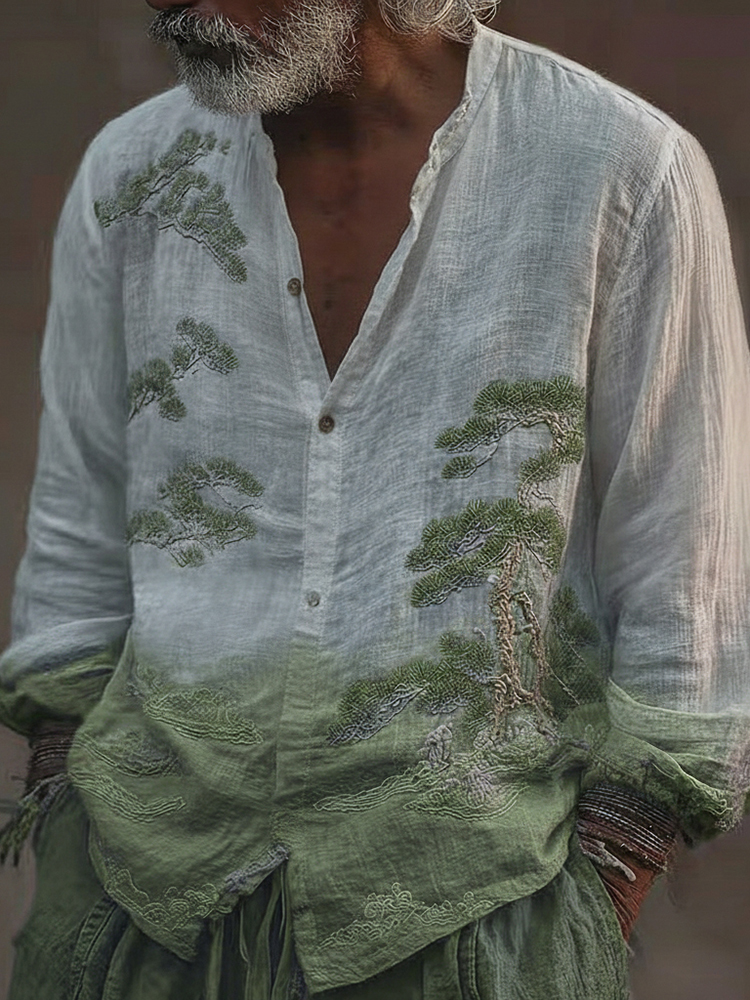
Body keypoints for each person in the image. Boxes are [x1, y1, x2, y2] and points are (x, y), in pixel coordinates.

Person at [2, 0, 749, 996]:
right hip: (145, 905)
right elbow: (79, 530)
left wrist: (601, 887)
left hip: (473, 911)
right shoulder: (129, 175)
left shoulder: (619, 169)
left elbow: (684, 580)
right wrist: (65, 814)